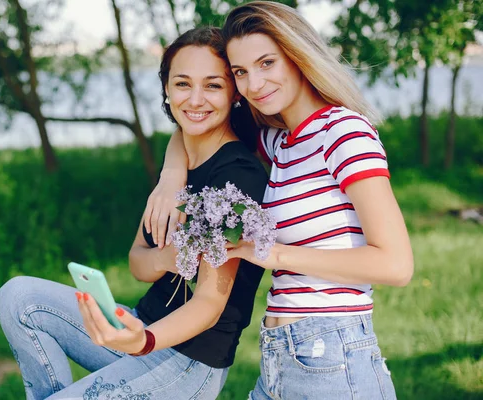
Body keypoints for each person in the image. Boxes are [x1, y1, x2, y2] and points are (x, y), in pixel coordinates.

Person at [142, 2, 414, 399]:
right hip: (280, 358)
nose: (254, 84)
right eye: (241, 73)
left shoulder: (343, 134)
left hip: (333, 357)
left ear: (297, 56)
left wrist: (275, 254)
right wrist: (171, 178)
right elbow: (196, 121)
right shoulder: (277, 141)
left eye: (266, 63)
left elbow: (396, 264)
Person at [0, 26, 269, 400]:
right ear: (167, 90)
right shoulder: (180, 163)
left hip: (187, 361)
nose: (195, 99)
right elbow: (137, 262)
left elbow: (209, 303)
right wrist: (166, 257)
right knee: (18, 297)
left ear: (234, 93)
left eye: (213, 86)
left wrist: (144, 341)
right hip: (142, 324)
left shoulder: (237, 176)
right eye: (183, 84)